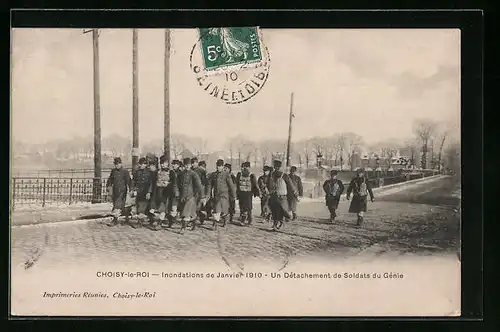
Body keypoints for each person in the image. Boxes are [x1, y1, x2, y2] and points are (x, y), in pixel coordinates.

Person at [150, 155, 179, 230]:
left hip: (168, 193)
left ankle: (167, 222)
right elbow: (153, 183)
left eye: (164, 163)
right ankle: (163, 222)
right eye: (161, 163)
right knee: (161, 208)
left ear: (167, 163)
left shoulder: (171, 172)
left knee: (167, 209)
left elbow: (174, 183)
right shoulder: (157, 172)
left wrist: (170, 186)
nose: (162, 165)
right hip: (159, 193)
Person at [206, 159, 236, 229]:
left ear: (222, 166)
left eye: (220, 166)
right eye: (217, 166)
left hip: (224, 195)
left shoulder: (226, 175)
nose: (218, 167)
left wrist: (233, 195)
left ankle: (225, 220)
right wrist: (208, 194)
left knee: (224, 211)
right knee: (217, 209)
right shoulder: (213, 175)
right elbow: (210, 185)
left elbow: (231, 186)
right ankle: (214, 224)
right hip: (217, 195)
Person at [267, 160, 296, 231]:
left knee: (281, 211)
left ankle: (280, 223)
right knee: (274, 211)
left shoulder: (284, 175)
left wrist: (294, 191)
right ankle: (275, 224)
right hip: (273, 196)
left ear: (280, 167)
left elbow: (290, 185)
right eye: (275, 167)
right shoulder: (271, 175)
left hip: (282, 196)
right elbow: (268, 183)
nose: (276, 169)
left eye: (278, 167)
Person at [176, 158, 204, 231]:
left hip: (191, 196)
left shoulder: (194, 174)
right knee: (189, 213)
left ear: (191, 165)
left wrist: (202, 196)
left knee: (186, 213)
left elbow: (199, 185)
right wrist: (177, 192)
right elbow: (176, 184)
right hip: (182, 196)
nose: (187, 166)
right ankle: (194, 223)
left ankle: (183, 228)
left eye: (188, 165)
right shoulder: (181, 174)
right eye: (185, 165)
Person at [106, 157, 132, 226]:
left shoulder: (125, 171)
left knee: (117, 206)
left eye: (118, 164)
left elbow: (129, 181)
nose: (117, 165)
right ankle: (127, 218)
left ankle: (115, 220)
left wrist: (131, 189)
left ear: (121, 163)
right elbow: (110, 180)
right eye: (115, 164)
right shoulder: (113, 171)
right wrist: (108, 187)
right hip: (115, 191)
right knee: (119, 205)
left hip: (122, 191)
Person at [130, 157, 154, 228]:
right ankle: (150, 220)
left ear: (146, 164)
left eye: (143, 164)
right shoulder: (137, 172)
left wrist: (149, 192)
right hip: (139, 191)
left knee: (143, 207)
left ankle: (141, 222)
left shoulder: (149, 173)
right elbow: (134, 181)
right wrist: (133, 189)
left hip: (146, 192)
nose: (142, 165)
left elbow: (151, 183)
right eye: (140, 164)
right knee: (140, 206)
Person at [191, 157, 209, 224]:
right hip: (192, 190)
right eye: (192, 163)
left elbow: (205, 182)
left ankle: (202, 217)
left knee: (199, 206)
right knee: (193, 205)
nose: (193, 164)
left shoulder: (201, 171)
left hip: (200, 190)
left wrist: (204, 191)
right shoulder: (190, 170)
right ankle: (194, 220)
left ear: (197, 163)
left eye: (194, 163)